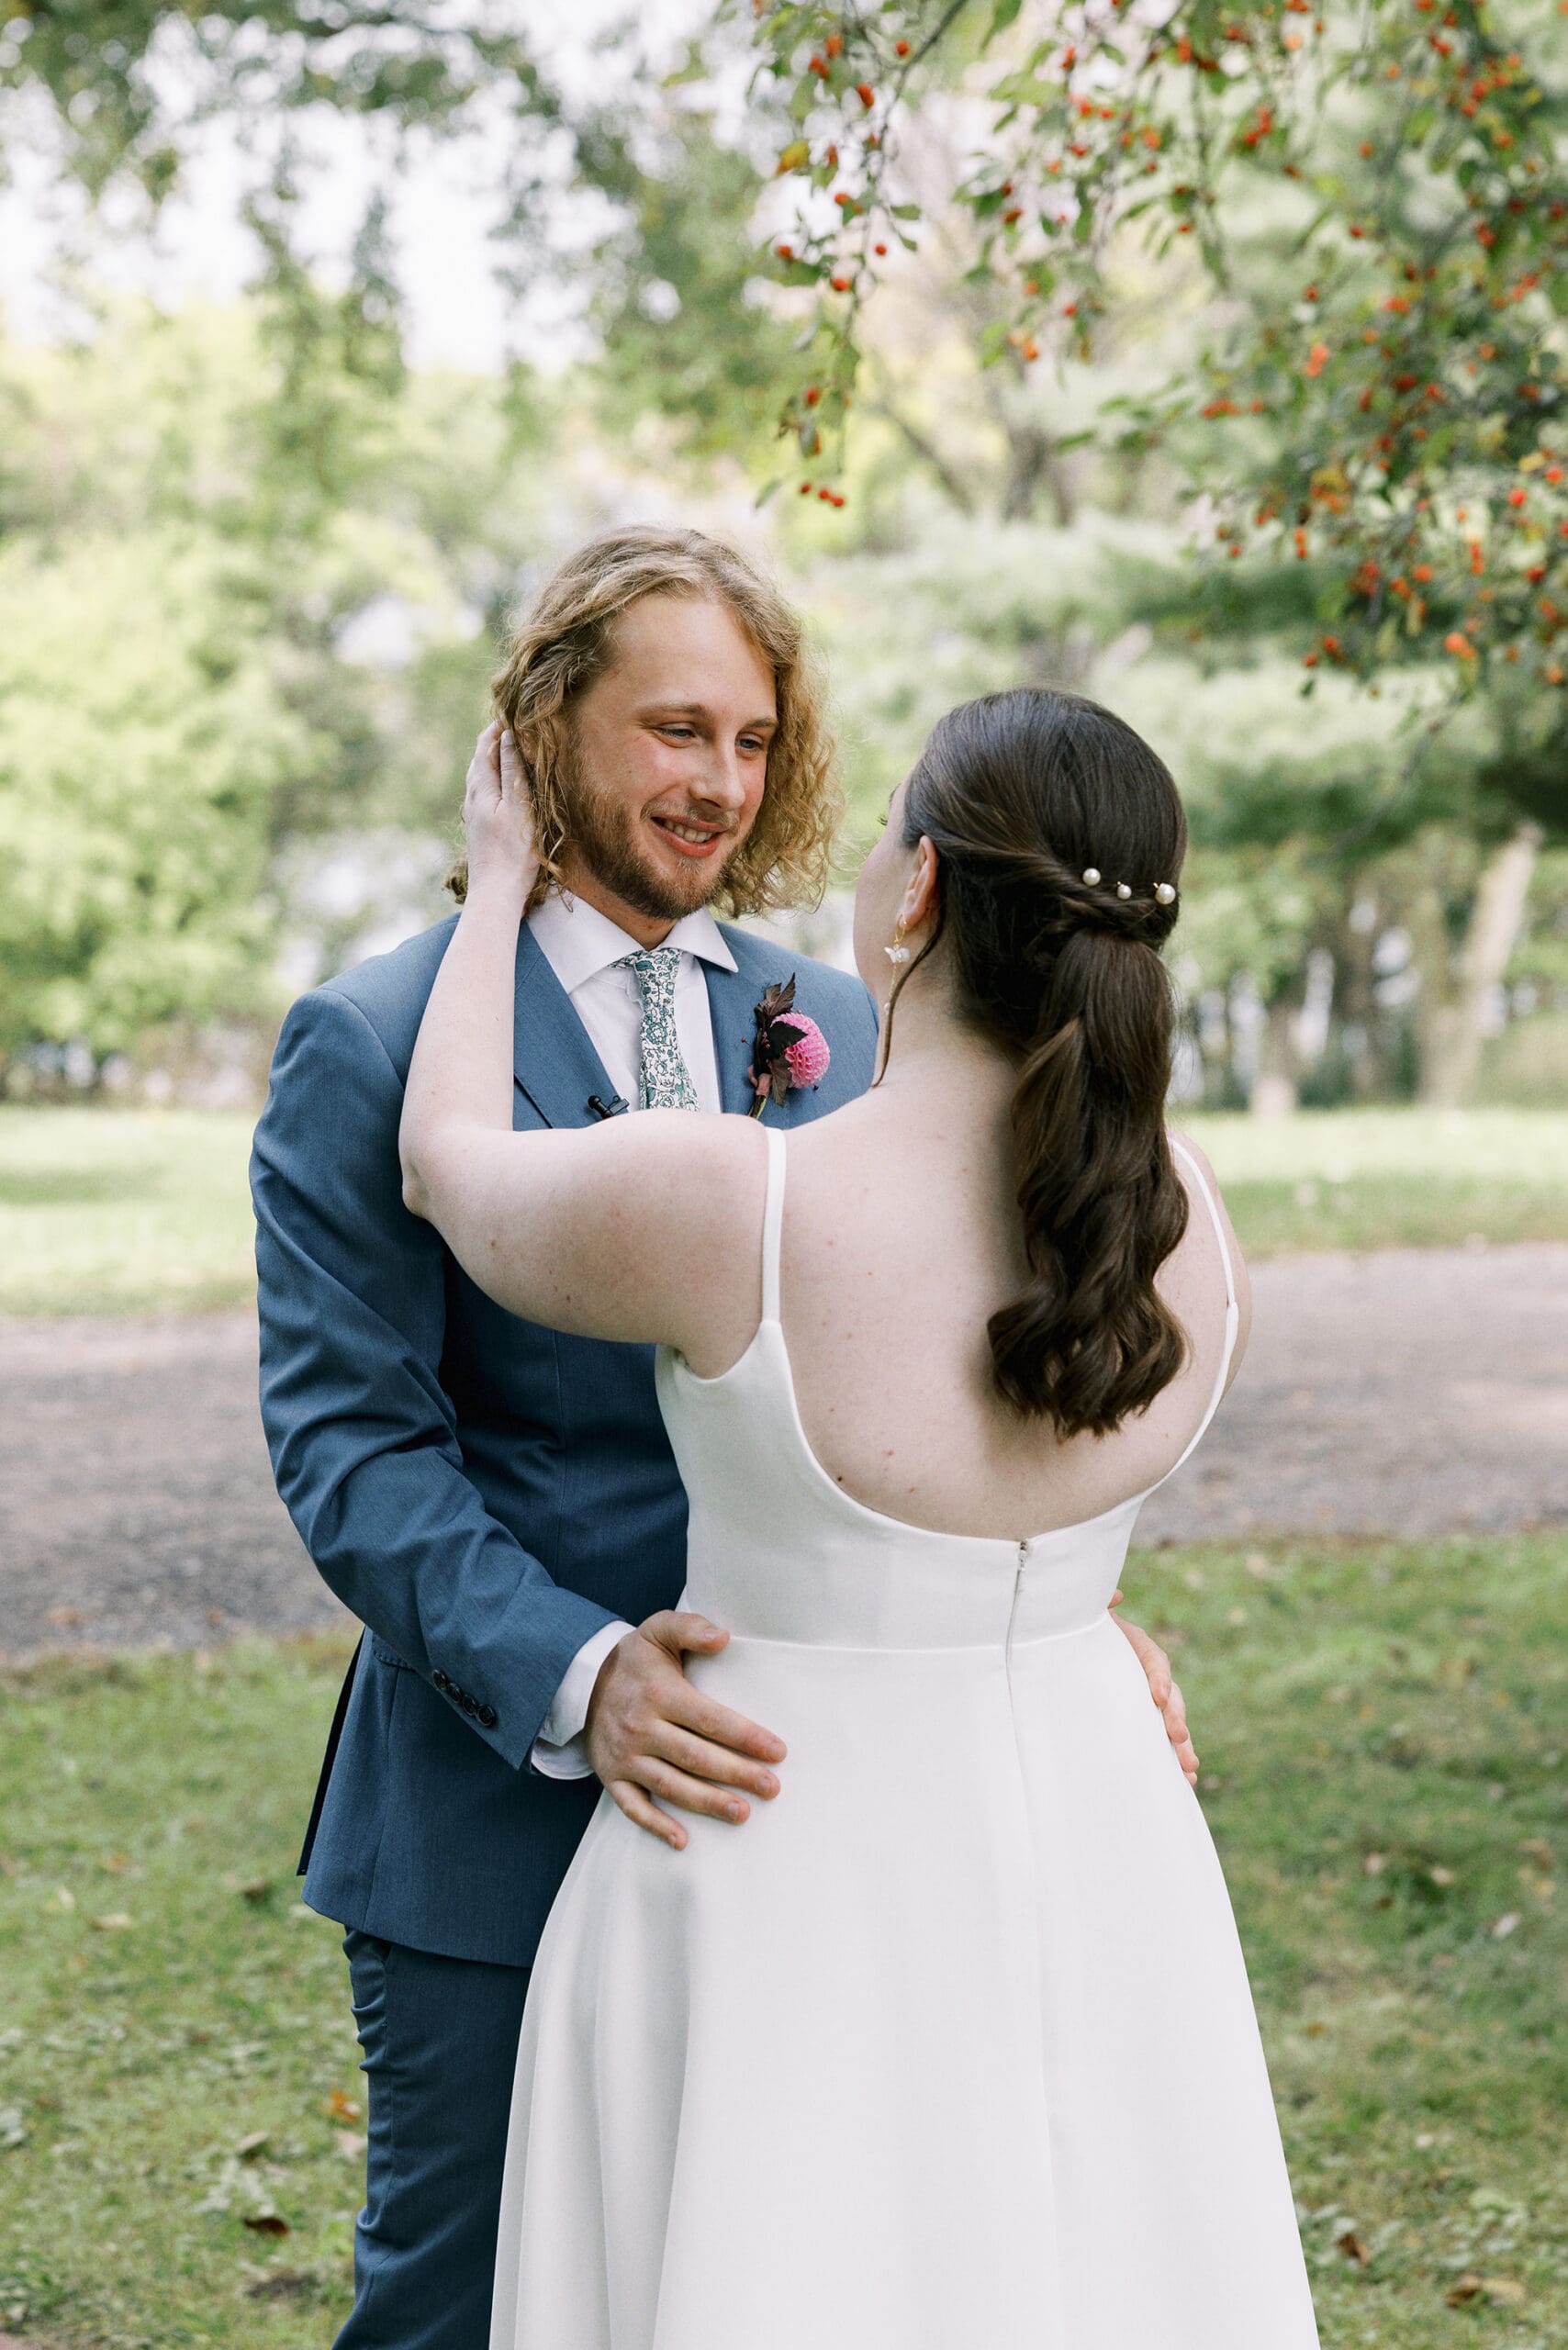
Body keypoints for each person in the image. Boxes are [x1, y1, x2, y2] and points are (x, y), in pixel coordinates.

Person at [251, 527, 1193, 2350]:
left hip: (816, 1814)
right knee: (471, 2300)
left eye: (752, 740)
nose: (718, 782)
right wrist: (581, 1671)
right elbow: (351, 1443)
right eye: (672, 728)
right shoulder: (369, 1042)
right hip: (496, 1809)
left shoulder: (846, 1017)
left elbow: (980, 1362)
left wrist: (1039, 1606)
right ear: (536, 728)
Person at [399, 687, 1322, 2350]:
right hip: (1105, 1835)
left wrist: (494, 880)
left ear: (915, 894)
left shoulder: (740, 1205)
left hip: (777, 1865)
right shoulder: (1193, 1226)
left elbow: (452, 1165)